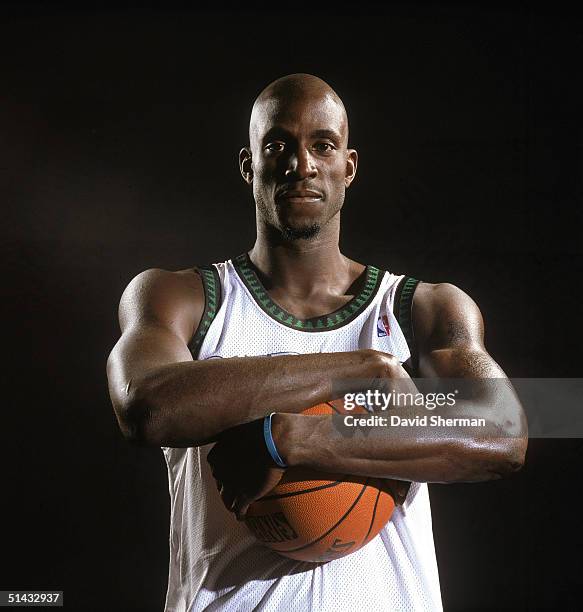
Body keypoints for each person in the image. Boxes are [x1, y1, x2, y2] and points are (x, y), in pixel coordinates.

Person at [106, 73, 527, 611]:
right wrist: (361, 369)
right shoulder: (181, 297)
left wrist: (296, 439)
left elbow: (504, 435)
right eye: (277, 144)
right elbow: (145, 406)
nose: (300, 165)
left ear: (347, 166)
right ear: (248, 166)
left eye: (322, 146)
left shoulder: (421, 309)